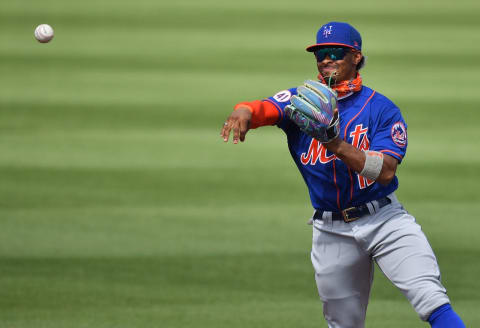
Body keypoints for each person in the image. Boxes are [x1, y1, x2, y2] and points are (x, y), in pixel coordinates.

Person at [220, 22, 466, 328]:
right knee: (343, 325)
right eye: (321, 53)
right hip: (331, 231)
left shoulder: (381, 109)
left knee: (432, 300)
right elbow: (263, 108)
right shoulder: (301, 102)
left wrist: (333, 142)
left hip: (385, 221)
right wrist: (244, 110)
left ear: (357, 57)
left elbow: (385, 171)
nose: (326, 59)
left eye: (336, 52)